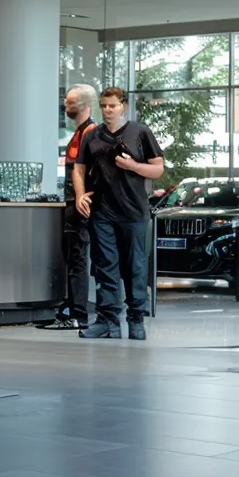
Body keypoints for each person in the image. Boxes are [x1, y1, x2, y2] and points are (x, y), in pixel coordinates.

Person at [72, 87, 164, 340]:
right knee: (104, 266)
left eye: (112, 105)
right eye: (103, 105)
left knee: (134, 266)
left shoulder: (140, 132)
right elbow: (79, 169)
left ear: (123, 105)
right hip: (102, 211)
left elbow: (158, 169)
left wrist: (132, 165)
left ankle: (136, 319)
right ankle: (108, 321)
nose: (107, 110)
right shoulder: (93, 136)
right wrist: (80, 195)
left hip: (134, 211)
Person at [44, 84, 98, 331]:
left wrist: (83, 197)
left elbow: (94, 172)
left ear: (85, 106)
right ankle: (71, 309)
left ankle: (79, 314)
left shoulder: (91, 133)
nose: (65, 106)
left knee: (78, 258)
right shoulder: (78, 133)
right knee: (72, 256)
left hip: (80, 206)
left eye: (70, 103)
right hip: (71, 203)